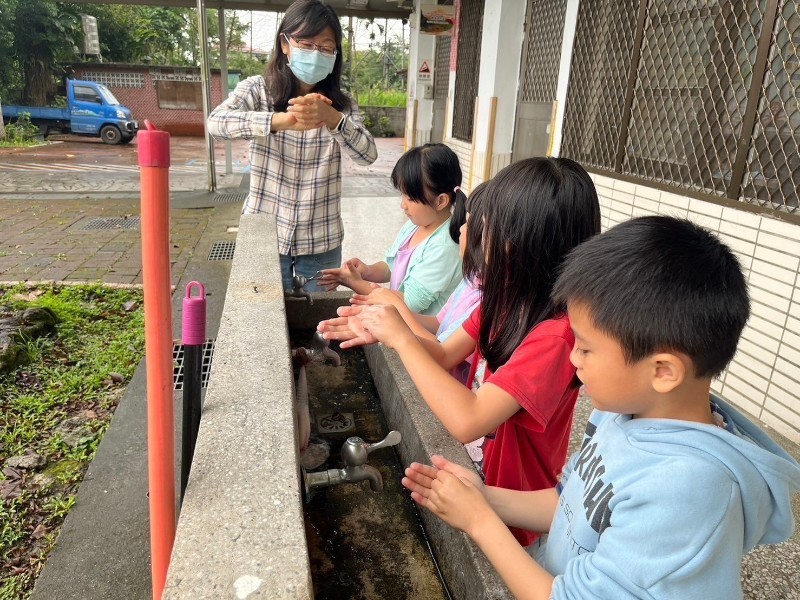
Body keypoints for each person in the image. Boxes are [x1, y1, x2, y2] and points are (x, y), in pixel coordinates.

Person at [401, 216, 800, 600]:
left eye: (587, 348)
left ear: (663, 371)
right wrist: (485, 498)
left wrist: (479, 521)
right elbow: (570, 505)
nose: (573, 358)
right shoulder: (624, 410)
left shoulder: (688, 489)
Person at [319, 158, 602, 547]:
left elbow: (469, 419)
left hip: (516, 507)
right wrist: (390, 331)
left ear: (521, 243)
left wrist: (402, 337)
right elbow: (442, 354)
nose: (465, 228)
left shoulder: (555, 338)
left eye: (483, 224)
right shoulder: (503, 302)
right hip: (480, 477)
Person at [207, 0, 377, 291]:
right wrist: (280, 121)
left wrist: (334, 120)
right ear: (285, 43)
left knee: (318, 325)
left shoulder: (342, 104)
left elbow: (368, 155)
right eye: (306, 43)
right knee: (262, 322)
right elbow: (216, 124)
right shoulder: (258, 89)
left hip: (321, 238)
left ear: (335, 54)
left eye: (326, 47)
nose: (316, 53)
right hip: (264, 234)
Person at [348, 182, 487, 382]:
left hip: (446, 380)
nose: (462, 229)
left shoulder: (488, 300)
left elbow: (443, 352)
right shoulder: (472, 280)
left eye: (470, 223)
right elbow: (439, 323)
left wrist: (394, 309)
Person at [319, 143, 466, 316]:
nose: (402, 205)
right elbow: (391, 267)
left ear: (441, 201)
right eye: (402, 194)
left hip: (422, 337)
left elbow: (408, 304)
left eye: (410, 198)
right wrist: (366, 271)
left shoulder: (444, 247)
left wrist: (356, 283)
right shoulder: (414, 225)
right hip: (400, 324)